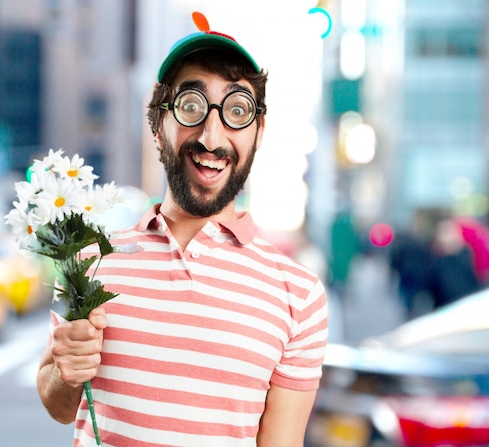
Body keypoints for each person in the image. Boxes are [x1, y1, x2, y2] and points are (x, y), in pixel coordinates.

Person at [36, 11, 329, 447]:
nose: (212, 136)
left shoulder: (298, 296)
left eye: (236, 111)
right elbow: (58, 404)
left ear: (259, 131)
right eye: (191, 106)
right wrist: (66, 372)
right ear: (158, 124)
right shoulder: (91, 261)